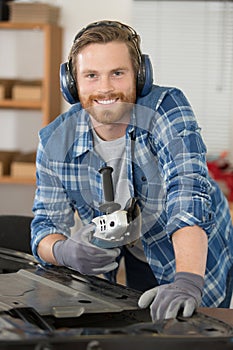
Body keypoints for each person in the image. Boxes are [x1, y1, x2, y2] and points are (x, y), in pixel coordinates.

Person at [31, 20, 233, 321]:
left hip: (187, 251)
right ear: (72, 83)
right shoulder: (55, 141)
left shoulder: (166, 108)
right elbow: (44, 227)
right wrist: (64, 252)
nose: (105, 88)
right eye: (91, 76)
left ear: (140, 76)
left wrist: (188, 281)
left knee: (190, 327)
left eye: (117, 73)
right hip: (124, 250)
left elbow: (187, 195)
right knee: (139, 324)